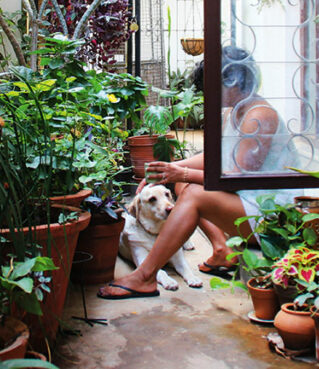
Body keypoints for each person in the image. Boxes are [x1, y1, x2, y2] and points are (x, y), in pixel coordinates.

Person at [97, 46, 302, 299]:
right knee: (184, 186)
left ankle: (145, 276)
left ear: (232, 80)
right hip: (252, 204)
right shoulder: (238, 110)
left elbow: (233, 178)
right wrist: (169, 171)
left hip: (273, 216)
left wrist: (180, 174)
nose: (209, 94)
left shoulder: (259, 116)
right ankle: (221, 250)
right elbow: (215, 158)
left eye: (212, 85)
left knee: (193, 192)